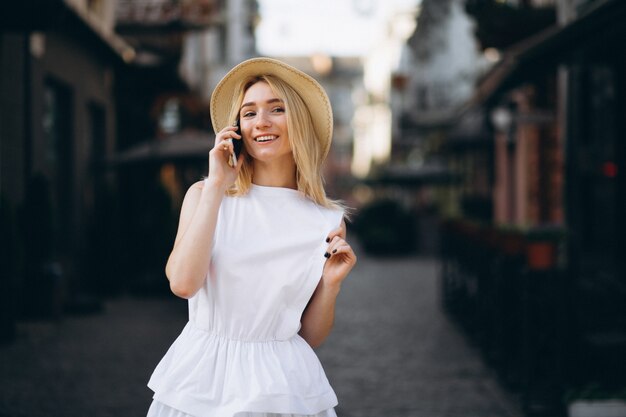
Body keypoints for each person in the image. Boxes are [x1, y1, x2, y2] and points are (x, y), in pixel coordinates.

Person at [146, 57, 357, 417]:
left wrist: (331, 285)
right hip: (202, 379)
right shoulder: (204, 195)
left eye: (277, 109)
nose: (261, 121)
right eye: (248, 112)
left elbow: (307, 338)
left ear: (300, 122)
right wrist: (216, 186)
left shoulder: (326, 221)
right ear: (236, 128)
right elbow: (182, 284)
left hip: (281, 386)